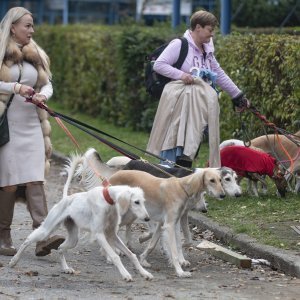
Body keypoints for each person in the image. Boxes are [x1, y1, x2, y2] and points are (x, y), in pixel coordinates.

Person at [147, 10, 250, 168]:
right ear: (198, 27)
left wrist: (237, 95)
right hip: (179, 106)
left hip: (199, 107)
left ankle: (182, 175)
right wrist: (182, 75)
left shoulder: (207, 51)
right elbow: (159, 65)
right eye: (210, 29)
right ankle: (167, 174)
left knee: (191, 145)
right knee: (175, 142)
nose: (212, 34)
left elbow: (219, 74)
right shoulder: (179, 45)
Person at [0, 7, 64, 256]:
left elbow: (48, 83)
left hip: (32, 127)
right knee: (7, 183)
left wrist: (41, 94)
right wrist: (14, 86)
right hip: (7, 128)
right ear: (13, 26)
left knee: (36, 178)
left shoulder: (36, 54)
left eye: (32, 25)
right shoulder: (2, 52)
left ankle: (43, 236)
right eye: (27, 25)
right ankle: (3, 236)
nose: (32, 30)